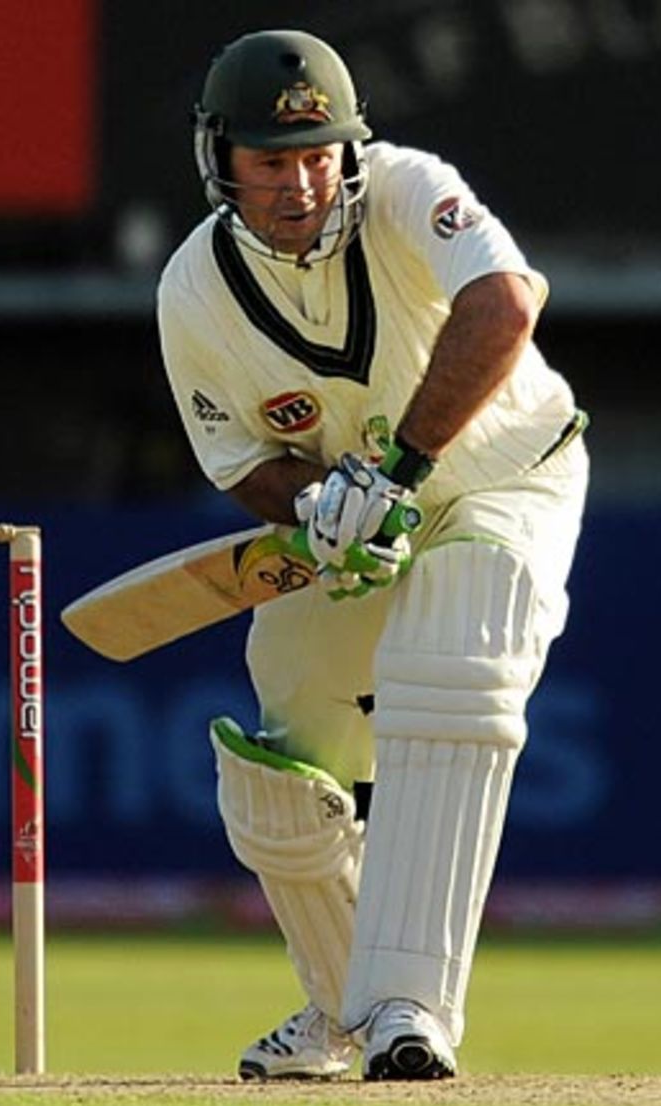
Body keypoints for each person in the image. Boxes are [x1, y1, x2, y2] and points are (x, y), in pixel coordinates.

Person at [156, 27, 588, 1081]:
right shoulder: (191, 295)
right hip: (357, 520)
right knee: (275, 758)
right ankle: (341, 1001)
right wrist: (319, 507)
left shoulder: (406, 191)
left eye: (317, 155)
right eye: (271, 161)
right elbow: (240, 461)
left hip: (501, 476)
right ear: (220, 160)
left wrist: (390, 471)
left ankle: (407, 1010)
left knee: (452, 660)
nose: (301, 183)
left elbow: (505, 303)